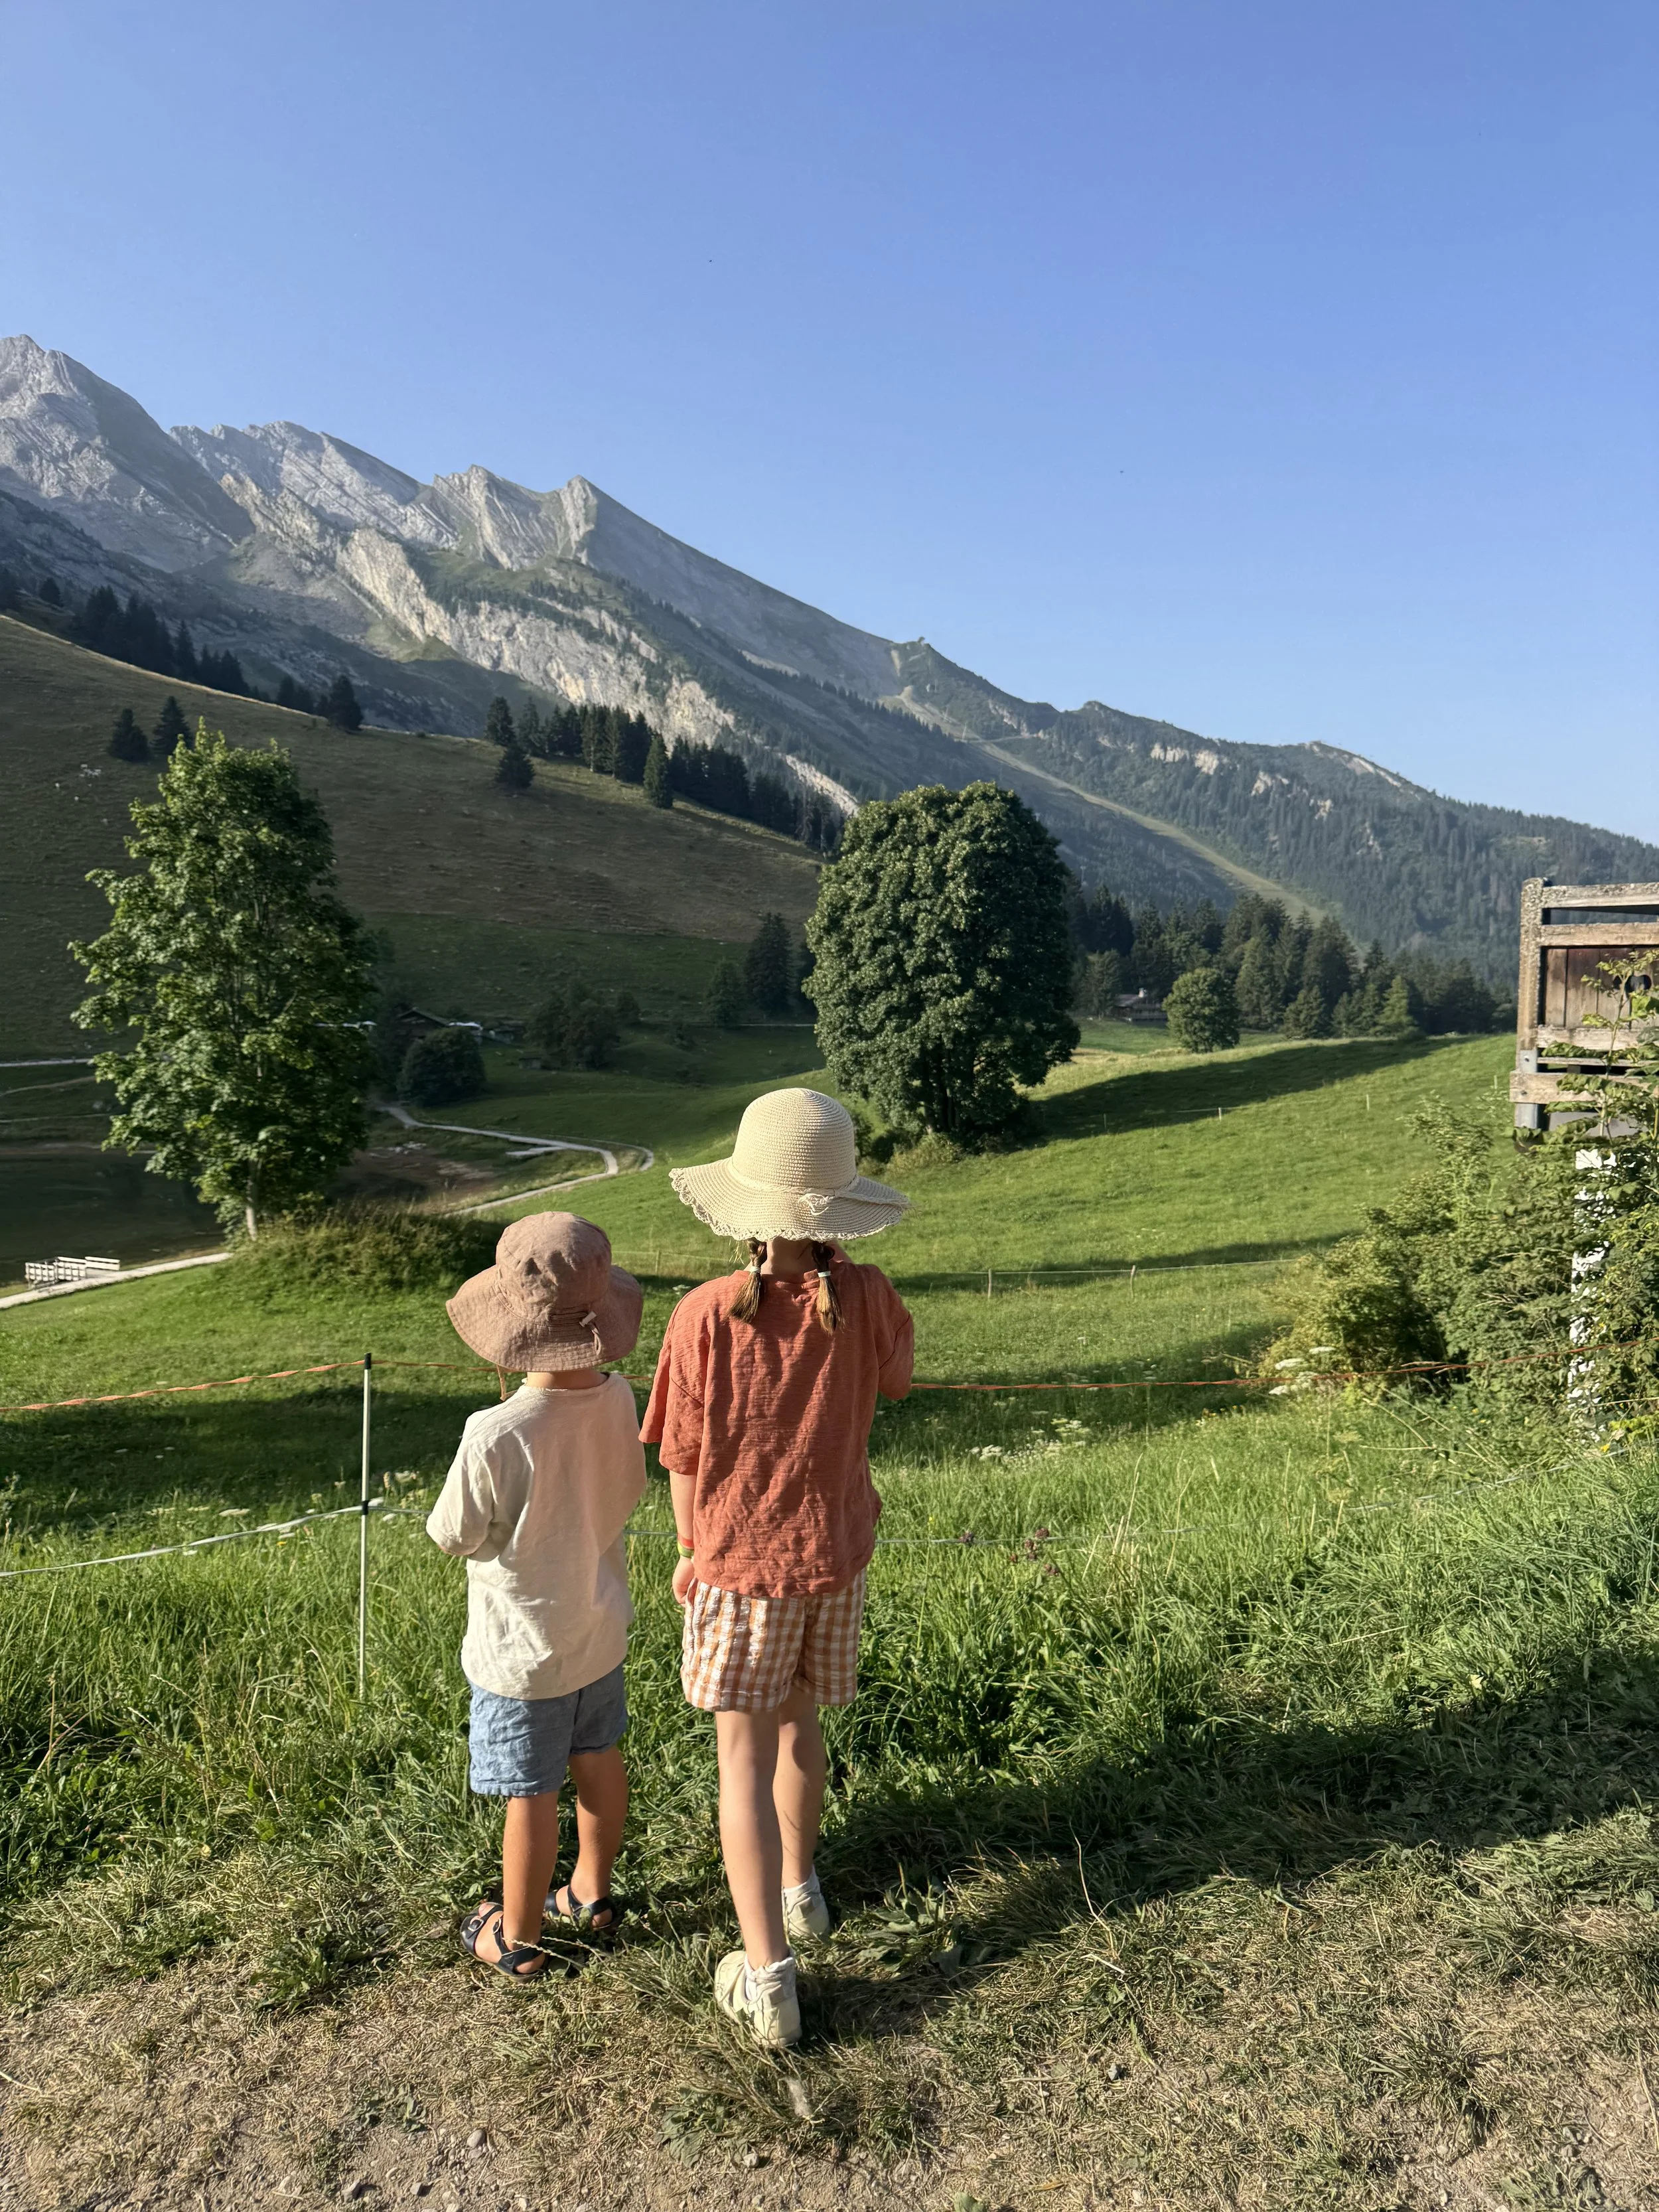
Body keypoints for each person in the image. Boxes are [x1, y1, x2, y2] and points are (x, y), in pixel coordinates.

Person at [642, 1088, 914, 2047]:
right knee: (801, 1729)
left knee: (740, 1765)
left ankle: (768, 1978)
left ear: (745, 1208)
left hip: (737, 1564)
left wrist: (686, 1552)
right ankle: (804, 1892)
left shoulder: (704, 1313)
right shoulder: (871, 1295)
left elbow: (679, 1452)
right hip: (834, 1559)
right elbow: (898, 1379)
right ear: (838, 1205)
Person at [429, 1211, 646, 1983]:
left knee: (529, 1792)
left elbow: (452, 1534)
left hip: (521, 1650)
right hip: (597, 1626)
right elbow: (626, 1492)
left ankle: (515, 1935)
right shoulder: (621, 1399)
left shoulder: (495, 1432)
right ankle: (589, 1891)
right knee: (597, 1758)